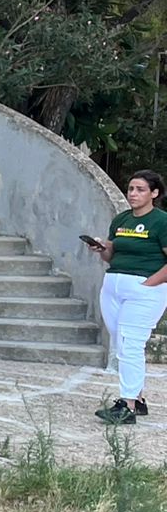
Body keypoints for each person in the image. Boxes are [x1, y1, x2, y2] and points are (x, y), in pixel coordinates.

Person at [88, 169, 167, 425]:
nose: (133, 194)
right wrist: (101, 249)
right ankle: (139, 398)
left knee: (130, 343)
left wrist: (149, 284)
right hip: (113, 286)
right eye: (131, 188)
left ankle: (127, 405)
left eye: (140, 189)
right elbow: (112, 254)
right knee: (122, 345)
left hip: (144, 289)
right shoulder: (121, 219)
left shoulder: (161, 221)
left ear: (154, 193)